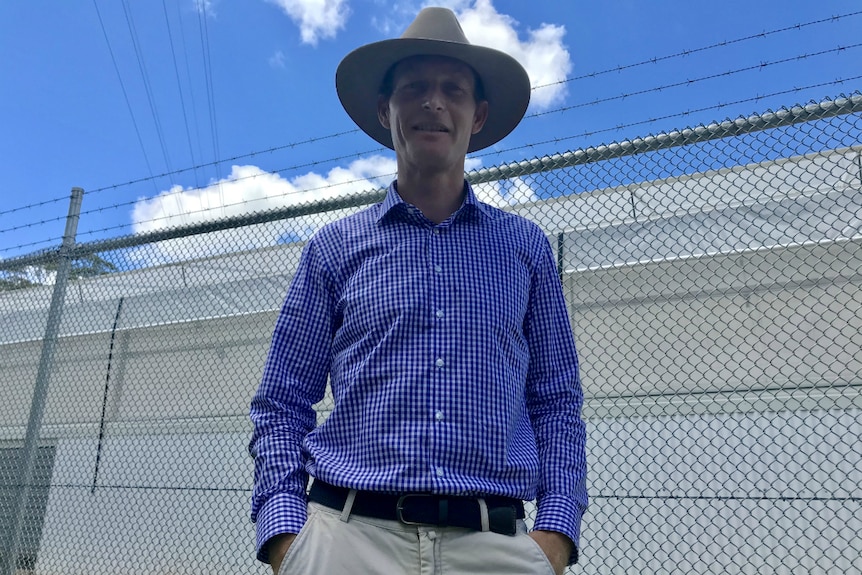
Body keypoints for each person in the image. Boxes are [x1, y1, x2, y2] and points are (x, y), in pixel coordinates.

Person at [249, 7, 587, 574]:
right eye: (414, 88)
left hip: (495, 547)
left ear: (477, 115)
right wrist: (288, 538)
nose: (434, 102)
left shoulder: (526, 250)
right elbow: (281, 403)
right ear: (387, 111)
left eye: (453, 89)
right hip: (346, 542)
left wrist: (555, 534)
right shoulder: (333, 249)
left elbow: (556, 402)